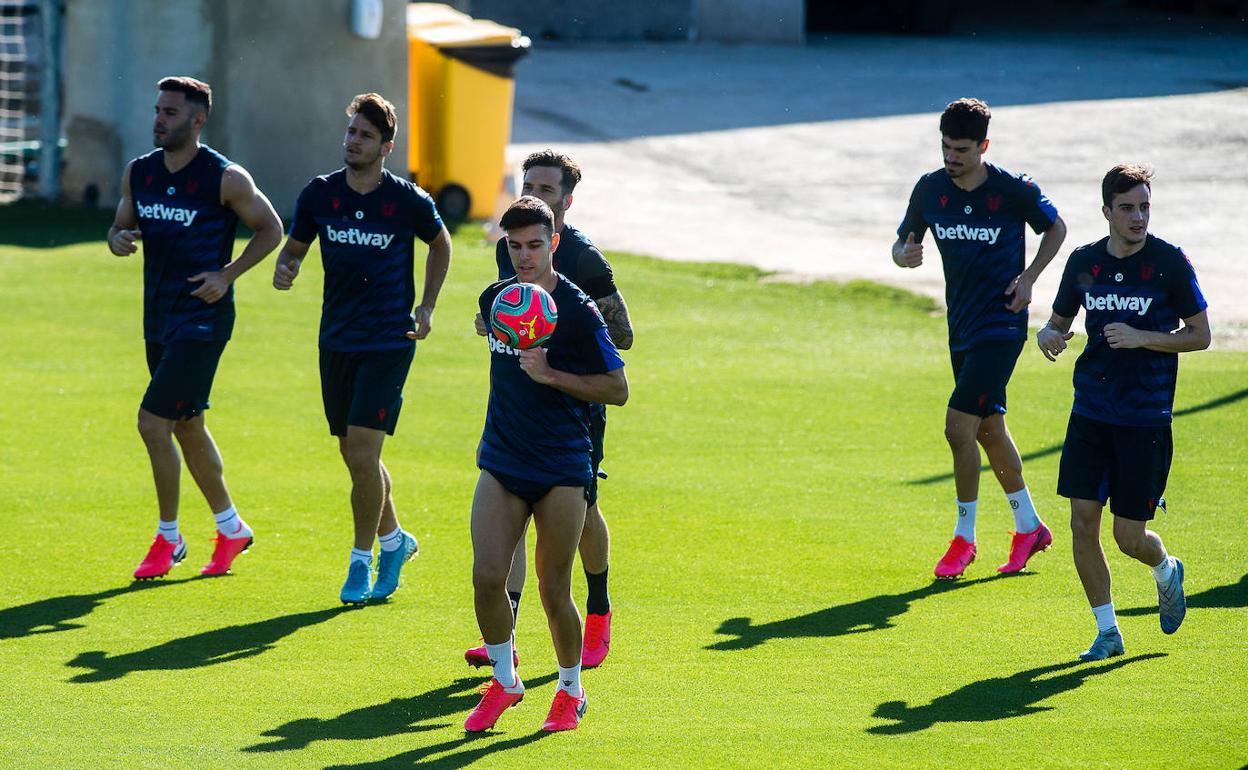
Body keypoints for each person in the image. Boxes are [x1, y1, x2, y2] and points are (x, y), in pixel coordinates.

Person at [272, 93, 451, 604]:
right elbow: (296, 247)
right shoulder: (319, 194)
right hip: (336, 339)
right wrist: (288, 267)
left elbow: (440, 242)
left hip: (389, 340)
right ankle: (395, 541)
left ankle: (361, 560)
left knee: (366, 449)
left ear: (386, 146)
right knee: (353, 452)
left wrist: (428, 305)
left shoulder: (407, 200)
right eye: (351, 131)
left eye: (365, 135)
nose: (354, 141)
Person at [465, 150, 633, 670]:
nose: (537, 195)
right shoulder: (514, 248)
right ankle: (507, 633)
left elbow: (620, 337)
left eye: (548, 190)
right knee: (508, 522)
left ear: (567, 201)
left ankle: (599, 608)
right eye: (529, 185)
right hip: (519, 417)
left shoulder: (584, 262)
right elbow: (504, 312)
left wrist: (558, 340)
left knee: (582, 520)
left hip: (575, 414)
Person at [109, 76, 282, 580]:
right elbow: (121, 223)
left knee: (152, 422)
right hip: (158, 318)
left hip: (202, 322)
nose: (159, 119)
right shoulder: (139, 172)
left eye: (170, 112)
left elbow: (271, 228)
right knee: (187, 424)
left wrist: (227, 275)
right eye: (158, 110)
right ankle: (231, 528)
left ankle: (168, 537)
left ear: (196, 119)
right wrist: (118, 238)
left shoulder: (224, 177)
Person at [1037, 164, 1208, 660]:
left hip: (1145, 418)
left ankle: (1165, 568)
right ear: (1107, 210)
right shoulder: (1084, 262)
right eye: (1128, 208)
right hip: (1091, 410)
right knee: (1082, 523)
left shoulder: (1170, 263)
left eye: (1145, 207)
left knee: (1128, 535)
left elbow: (1200, 335)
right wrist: (1049, 336)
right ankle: (1107, 632)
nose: (1139, 217)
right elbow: (1056, 323)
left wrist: (1143, 338)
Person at [892, 97, 1068, 579]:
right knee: (989, 429)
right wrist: (903, 255)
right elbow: (903, 241)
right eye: (946, 147)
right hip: (961, 328)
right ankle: (1029, 527)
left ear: (983, 146)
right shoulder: (931, 190)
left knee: (957, 428)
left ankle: (963, 538)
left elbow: (1056, 228)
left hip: (1001, 325)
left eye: (962, 149)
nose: (952, 157)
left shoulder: (1012, 189)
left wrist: (1030, 277)